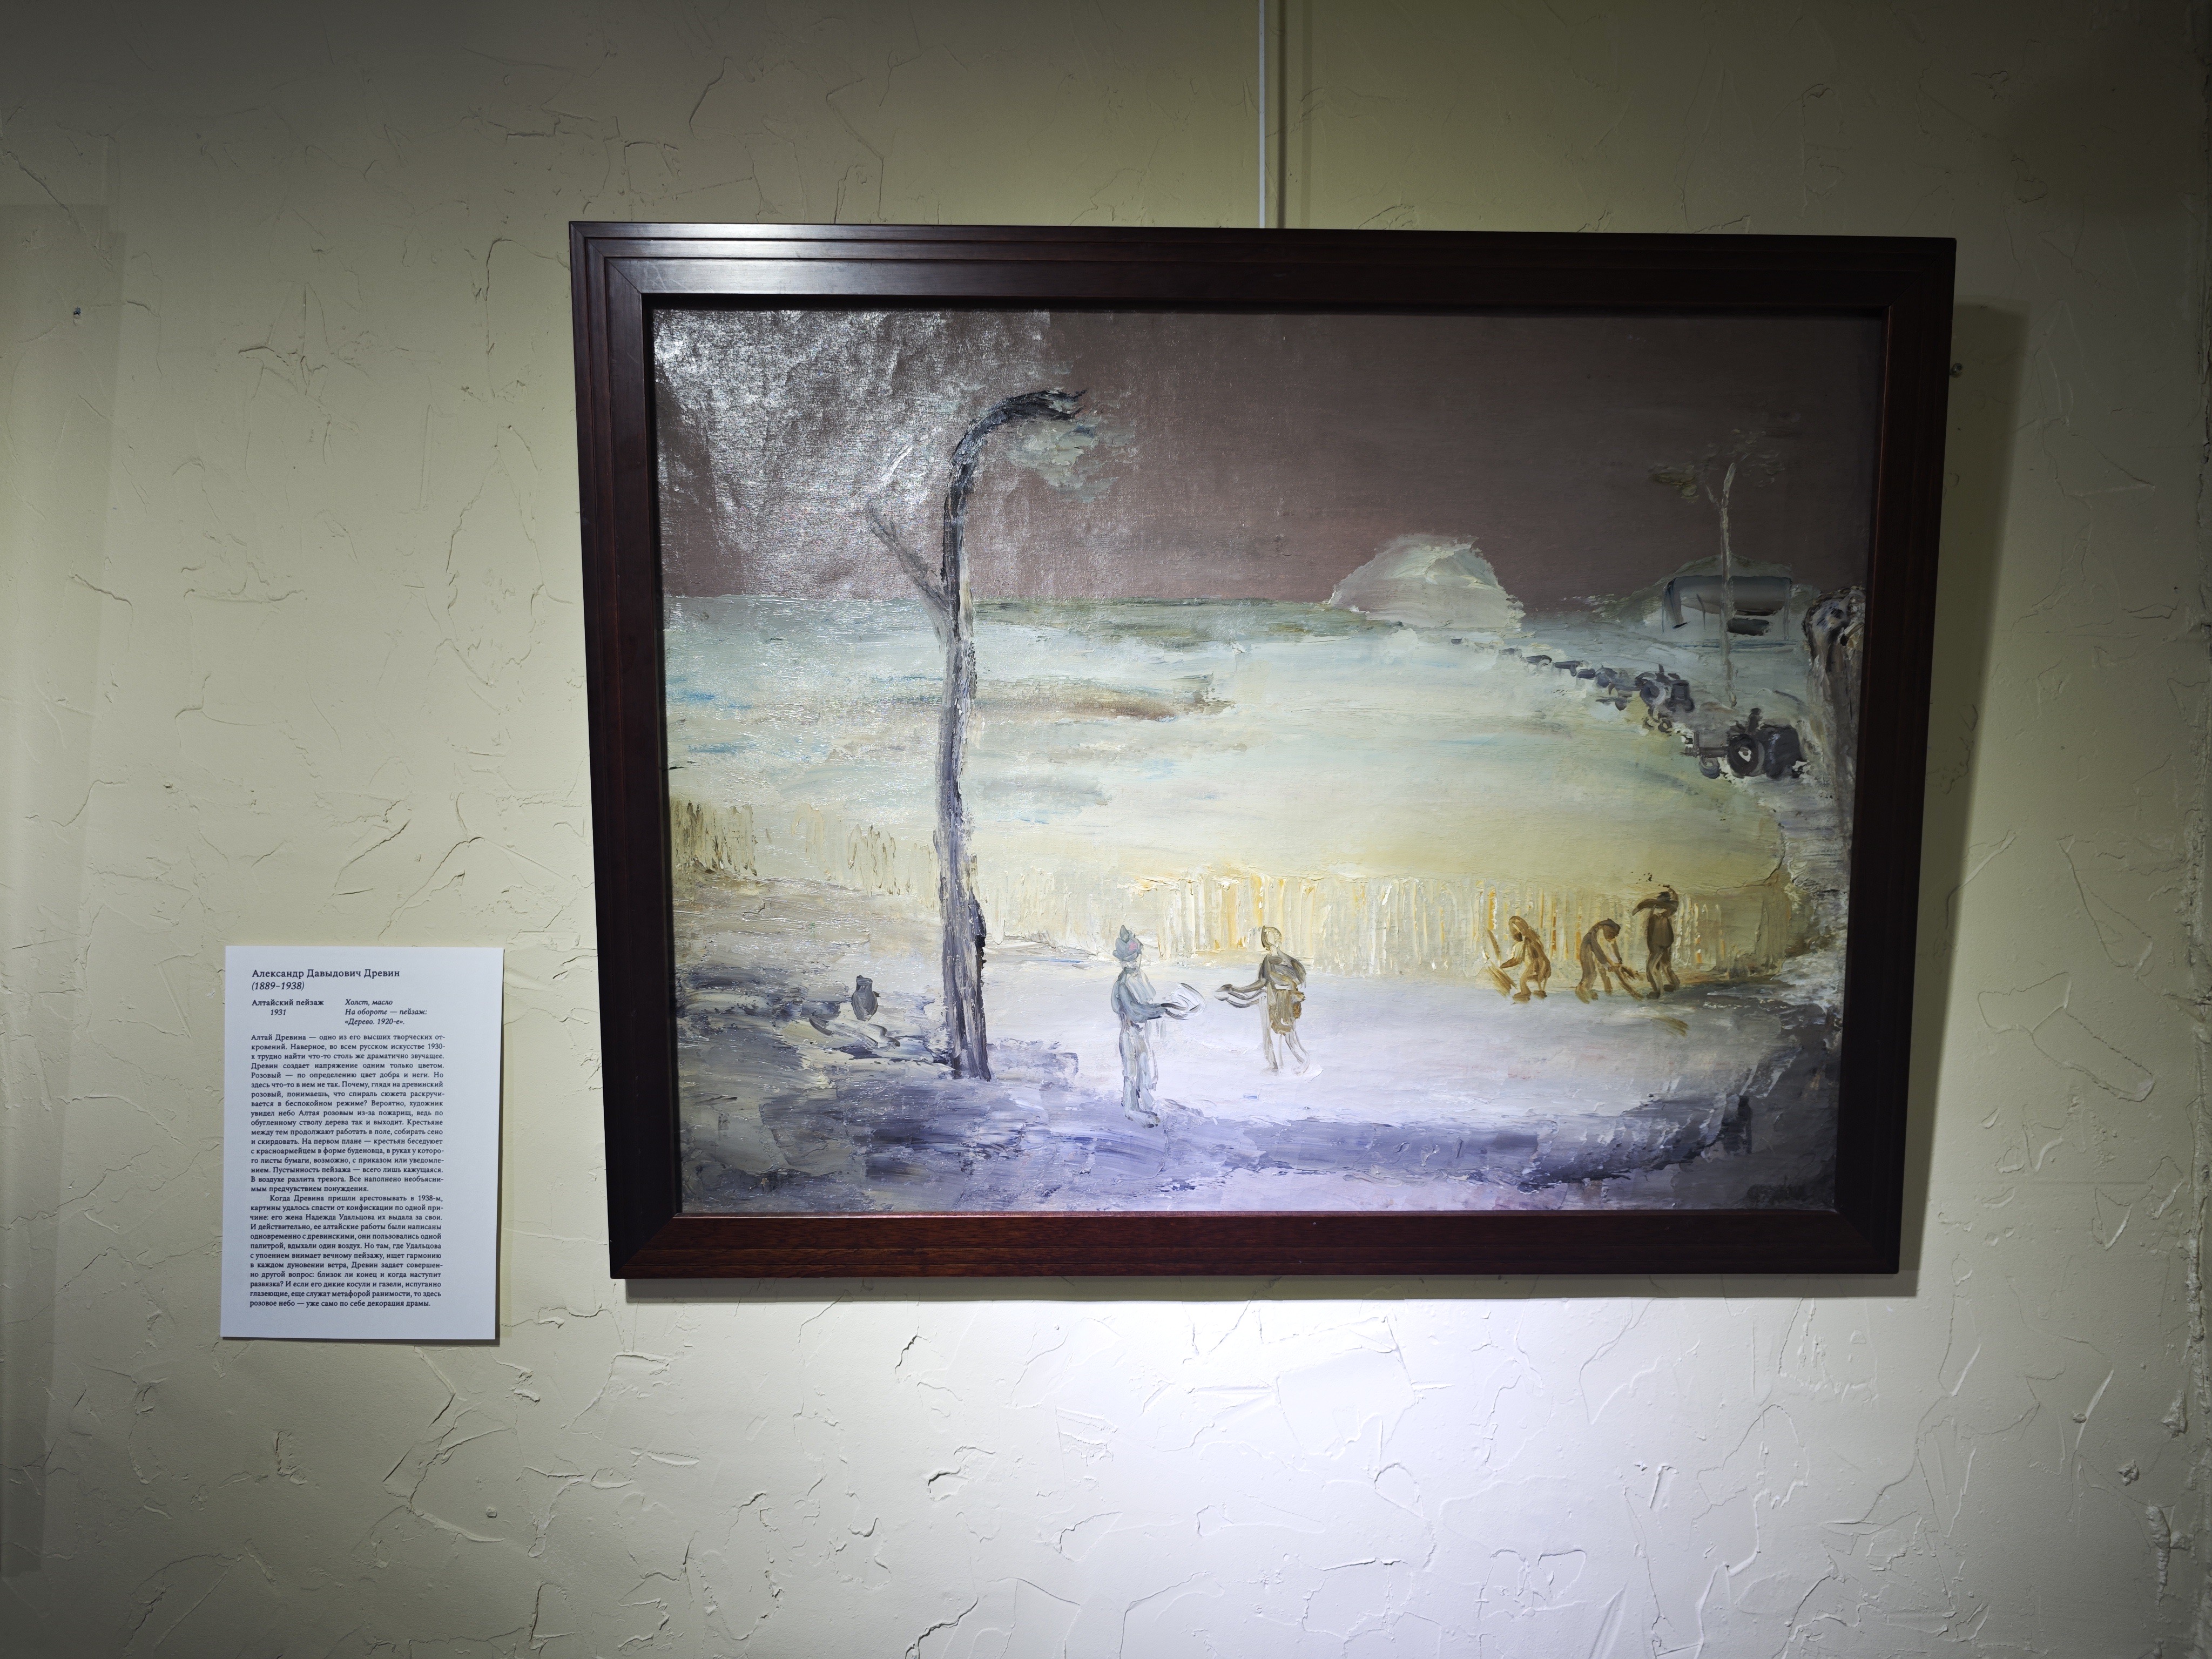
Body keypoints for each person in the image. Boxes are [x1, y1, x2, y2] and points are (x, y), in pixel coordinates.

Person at [1110, 927, 1193, 1127]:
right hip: (1130, 1032)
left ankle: (1146, 1103)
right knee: (1131, 1072)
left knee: (1145, 1068)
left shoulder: (1140, 976)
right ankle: (1131, 1109)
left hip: (1142, 1032)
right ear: (1121, 962)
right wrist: (1161, 1010)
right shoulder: (1123, 983)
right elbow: (1134, 1010)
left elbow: (1148, 1000)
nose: (1131, 964)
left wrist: (1164, 1007)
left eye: (1134, 959)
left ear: (1139, 957)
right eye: (1126, 961)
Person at [1216, 926, 1310, 1073]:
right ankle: (1274, 1065)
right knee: (1268, 1033)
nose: (1270, 945)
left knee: (1289, 1035)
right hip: (1271, 1000)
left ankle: (1303, 1060)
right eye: (1267, 941)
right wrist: (1236, 989)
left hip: (1286, 1001)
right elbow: (1262, 982)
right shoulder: (1267, 962)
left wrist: (1284, 984)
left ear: (1278, 942)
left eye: (1272, 941)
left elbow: (1296, 980)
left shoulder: (1290, 962)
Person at [1574, 919, 1641, 1002]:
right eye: (1611, 933)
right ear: (1607, 927)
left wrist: (1618, 961)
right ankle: (1583, 993)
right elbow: (1599, 951)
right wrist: (1608, 965)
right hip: (1590, 952)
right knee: (1591, 974)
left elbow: (1614, 949)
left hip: (1599, 955)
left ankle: (1604, 992)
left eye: (1613, 934)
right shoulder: (1597, 934)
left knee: (1598, 974)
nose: (1612, 936)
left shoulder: (1607, 935)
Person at [1634, 887, 1681, 995]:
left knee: (1652, 969)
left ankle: (1657, 991)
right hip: (1667, 943)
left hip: (1657, 944)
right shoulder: (1668, 913)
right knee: (1666, 966)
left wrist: (1639, 908)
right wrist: (1674, 893)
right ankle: (1674, 985)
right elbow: (1676, 903)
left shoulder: (1656, 914)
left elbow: (1652, 934)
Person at [1499, 915, 1552, 1002]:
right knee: (1529, 980)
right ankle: (1537, 993)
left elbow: (1516, 961)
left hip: (1535, 966)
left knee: (1523, 981)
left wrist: (1502, 966)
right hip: (1545, 965)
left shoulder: (1523, 943)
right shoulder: (1534, 936)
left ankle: (1525, 995)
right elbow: (1541, 949)